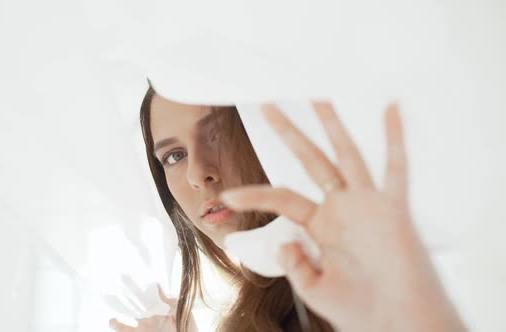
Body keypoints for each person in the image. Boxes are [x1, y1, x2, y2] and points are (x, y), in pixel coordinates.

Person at [110, 85, 467, 331]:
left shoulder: (349, 284)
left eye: (218, 134)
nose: (197, 173)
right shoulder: (259, 307)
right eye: (174, 156)